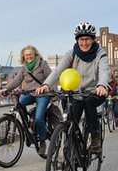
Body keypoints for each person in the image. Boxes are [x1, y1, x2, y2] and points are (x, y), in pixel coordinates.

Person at [35, 21, 109, 153]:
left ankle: (95, 136)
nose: (84, 43)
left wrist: (102, 85)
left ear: (93, 39)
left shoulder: (100, 53)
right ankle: (70, 153)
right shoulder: (72, 53)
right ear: (77, 40)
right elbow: (58, 71)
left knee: (89, 103)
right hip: (76, 91)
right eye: (81, 39)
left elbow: (104, 71)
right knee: (70, 121)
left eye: (87, 39)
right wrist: (46, 84)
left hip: (95, 91)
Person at [0, 45, 52, 155]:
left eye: (30, 54)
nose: (28, 57)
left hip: (43, 94)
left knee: (39, 118)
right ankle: (28, 130)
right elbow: (17, 81)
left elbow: (51, 77)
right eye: (26, 55)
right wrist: (5, 89)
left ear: (35, 54)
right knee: (20, 102)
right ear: (23, 56)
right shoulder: (24, 68)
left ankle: (42, 141)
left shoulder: (42, 64)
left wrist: (46, 87)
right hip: (29, 93)